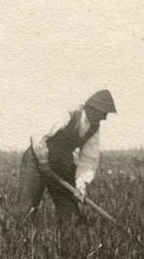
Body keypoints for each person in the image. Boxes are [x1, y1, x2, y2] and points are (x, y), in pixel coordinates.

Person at [19, 89, 116, 223]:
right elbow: (38, 137)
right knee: (27, 209)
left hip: (60, 162)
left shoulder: (93, 129)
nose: (104, 118)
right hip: (36, 158)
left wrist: (81, 186)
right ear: (90, 108)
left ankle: (67, 237)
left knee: (71, 216)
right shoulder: (68, 114)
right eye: (102, 113)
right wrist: (43, 162)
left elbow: (88, 160)